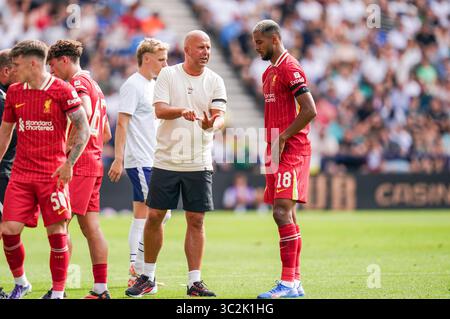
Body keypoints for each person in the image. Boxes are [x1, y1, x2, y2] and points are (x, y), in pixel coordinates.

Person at [125, 30, 226, 298]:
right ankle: (147, 276)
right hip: (166, 160)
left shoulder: (215, 80)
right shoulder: (169, 75)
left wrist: (211, 124)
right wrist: (181, 110)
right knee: (155, 216)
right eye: (201, 47)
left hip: (199, 161)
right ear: (187, 50)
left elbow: (220, 116)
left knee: (196, 220)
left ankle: (194, 282)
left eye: (208, 47)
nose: (206, 52)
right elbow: (159, 109)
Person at [0, 40, 89, 299]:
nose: (12, 70)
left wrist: (69, 163)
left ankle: (58, 293)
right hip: (21, 175)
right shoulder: (15, 92)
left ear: (33, 63)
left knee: (57, 233)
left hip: (52, 175)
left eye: (16, 65)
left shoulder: (62, 90)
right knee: (8, 230)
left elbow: (83, 128)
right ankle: (21, 283)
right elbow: (5, 132)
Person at [252, 20, 317, 299]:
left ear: (274, 39)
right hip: (274, 149)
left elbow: (309, 109)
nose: (256, 47)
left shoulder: (290, 67)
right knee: (284, 213)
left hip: (291, 148)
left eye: (260, 42)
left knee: (281, 212)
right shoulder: (268, 72)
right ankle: (295, 282)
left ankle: (288, 284)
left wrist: (283, 137)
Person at [47, 39, 112, 299]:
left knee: (59, 225)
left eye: (52, 66)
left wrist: (68, 149)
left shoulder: (77, 84)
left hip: (79, 163)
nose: (51, 72)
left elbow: (82, 112)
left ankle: (59, 289)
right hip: (93, 161)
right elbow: (105, 132)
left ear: (64, 61)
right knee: (90, 228)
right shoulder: (95, 84)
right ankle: (100, 289)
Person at [107, 38, 171, 287]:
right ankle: (142, 271)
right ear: (146, 59)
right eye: (161, 59)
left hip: (152, 157)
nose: (165, 64)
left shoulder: (152, 85)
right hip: (141, 160)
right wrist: (118, 158)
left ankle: (136, 269)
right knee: (160, 215)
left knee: (141, 216)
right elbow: (122, 123)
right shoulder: (132, 85)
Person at [0, 49, 17, 241]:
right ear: (6, 71)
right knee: (7, 228)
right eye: (17, 68)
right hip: (2, 172)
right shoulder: (3, 101)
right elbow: (7, 137)